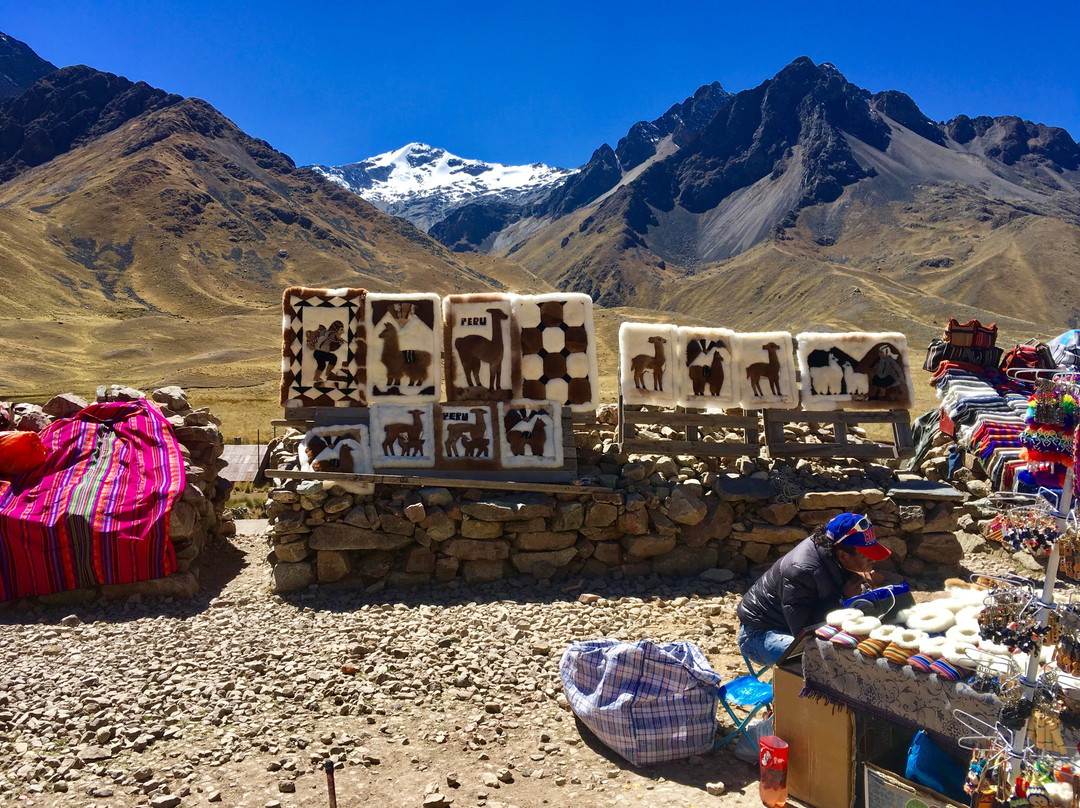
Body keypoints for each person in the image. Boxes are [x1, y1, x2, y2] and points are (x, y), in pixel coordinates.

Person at [736, 512, 891, 667]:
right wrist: (844, 597)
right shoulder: (801, 572)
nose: (873, 559)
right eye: (866, 555)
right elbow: (804, 633)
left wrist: (867, 594)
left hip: (790, 625)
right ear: (843, 555)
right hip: (759, 634)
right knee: (825, 662)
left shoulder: (834, 551)